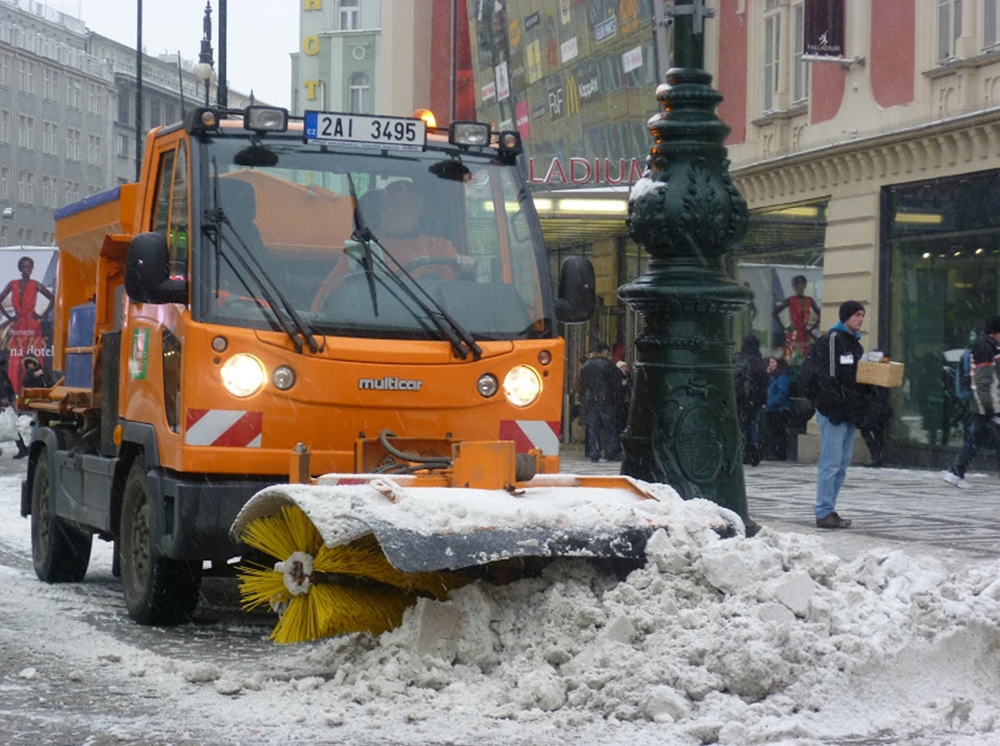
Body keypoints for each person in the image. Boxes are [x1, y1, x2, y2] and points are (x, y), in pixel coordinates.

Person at [810, 300, 871, 529]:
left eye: (863, 315)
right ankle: (823, 511)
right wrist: (833, 405)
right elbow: (829, 376)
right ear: (846, 316)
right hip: (833, 411)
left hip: (847, 412)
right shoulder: (834, 339)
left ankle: (829, 510)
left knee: (842, 464)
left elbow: (853, 379)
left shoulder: (855, 344)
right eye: (857, 315)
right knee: (831, 463)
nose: (861, 319)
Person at [944, 315, 1000, 489]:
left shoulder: (989, 346)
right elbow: (984, 380)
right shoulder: (985, 348)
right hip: (988, 402)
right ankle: (956, 471)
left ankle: (956, 472)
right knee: (983, 438)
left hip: (987, 401)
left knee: (975, 439)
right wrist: (990, 407)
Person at [0, 256, 54, 396]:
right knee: (16, 359)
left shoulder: (35, 284)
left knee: (35, 357)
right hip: (18, 325)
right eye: (24, 267)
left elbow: (52, 297)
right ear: (20, 268)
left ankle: (37, 390)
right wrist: (9, 317)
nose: (27, 270)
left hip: (33, 325)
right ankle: (16, 390)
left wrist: (43, 315)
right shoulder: (13, 284)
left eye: (29, 267)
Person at [578, 342, 622, 462]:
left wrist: (583, 398)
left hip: (591, 402)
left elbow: (582, 385)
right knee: (609, 429)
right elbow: (617, 381)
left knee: (593, 429)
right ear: (605, 352)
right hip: (607, 401)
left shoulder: (586, 366)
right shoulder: (608, 365)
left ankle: (594, 453)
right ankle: (610, 453)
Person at [733, 335, 769, 466]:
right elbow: (763, 379)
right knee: (752, 426)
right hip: (753, 399)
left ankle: (741, 451)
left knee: (741, 425)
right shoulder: (756, 360)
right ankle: (752, 453)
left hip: (739, 398)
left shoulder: (737, 359)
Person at [773, 275, 820, 368]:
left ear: (805, 285)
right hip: (793, 335)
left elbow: (820, 315)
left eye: (801, 284)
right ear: (794, 286)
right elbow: (775, 312)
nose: (799, 287)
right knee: (792, 359)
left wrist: (810, 330)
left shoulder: (809, 300)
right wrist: (783, 328)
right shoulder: (791, 300)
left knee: (804, 359)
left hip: (804, 335)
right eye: (796, 284)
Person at [0, 352, 29, 458]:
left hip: (3, 403)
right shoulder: (4, 374)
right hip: (5, 402)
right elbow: (9, 389)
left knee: (9, 426)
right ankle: (22, 449)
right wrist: (11, 400)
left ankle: (22, 449)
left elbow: (3, 389)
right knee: (11, 427)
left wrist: (3, 401)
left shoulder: (1, 375)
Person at [764, 357, 791, 461]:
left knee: (779, 432)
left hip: (779, 409)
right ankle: (775, 452)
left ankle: (780, 453)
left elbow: (782, 392)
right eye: (769, 362)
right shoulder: (773, 376)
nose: (770, 364)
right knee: (773, 432)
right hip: (772, 408)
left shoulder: (782, 376)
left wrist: (772, 402)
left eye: (772, 362)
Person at [860, 386, 892, 468]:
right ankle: (877, 456)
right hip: (881, 410)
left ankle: (876, 456)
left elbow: (875, 396)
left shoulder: (876, 386)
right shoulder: (882, 385)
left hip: (877, 410)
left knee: (868, 431)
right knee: (878, 433)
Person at [615, 359, 632, 432]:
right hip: (619, 404)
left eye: (626, 367)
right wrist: (621, 385)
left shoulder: (629, 378)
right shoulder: (616, 378)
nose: (624, 369)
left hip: (627, 404)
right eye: (622, 367)